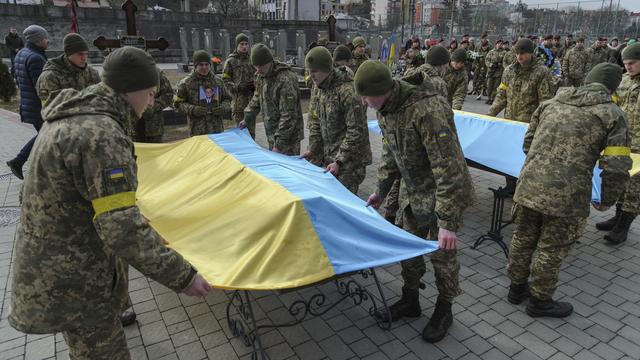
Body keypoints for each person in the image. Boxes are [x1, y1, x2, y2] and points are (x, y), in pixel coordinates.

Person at [8, 46, 212, 359]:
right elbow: (121, 227)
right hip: (78, 281)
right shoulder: (100, 135)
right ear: (130, 90)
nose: (152, 100)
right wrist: (183, 276)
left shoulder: (74, 116)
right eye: (150, 92)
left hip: (58, 271)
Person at [359, 60, 474, 343]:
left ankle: (444, 310)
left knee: (443, 258)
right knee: (408, 250)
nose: (363, 102)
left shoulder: (427, 110)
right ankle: (410, 301)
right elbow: (391, 153)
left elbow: (449, 167)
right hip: (415, 194)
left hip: (443, 196)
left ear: (382, 90)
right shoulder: (387, 109)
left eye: (366, 96)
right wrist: (381, 190)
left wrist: (447, 221)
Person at [507, 63, 631, 317]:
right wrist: (606, 199)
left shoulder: (551, 103)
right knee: (552, 247)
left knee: (522, 238)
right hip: (567, 195)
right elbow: (617, 166)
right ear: (612, 87)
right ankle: (540, 302)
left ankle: (516, 289)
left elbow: (527, 143)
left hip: (529, 184)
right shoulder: (612, 114)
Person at [300, 47, 371, 193]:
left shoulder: (347, 91)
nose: (310, 75)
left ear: (326, 68)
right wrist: (313, 150)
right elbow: (316, 121)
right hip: (331, 158)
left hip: (350, 162)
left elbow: (356, 131)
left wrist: (340, 161)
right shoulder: (320, 88)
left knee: (345, 204)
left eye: (314, 71)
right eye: (308, 71)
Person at [596, 43, 640, 244]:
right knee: (621, 181)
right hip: (622, 141)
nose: (628, 67)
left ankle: (623, 226)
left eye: (632, 63)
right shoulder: (623, 81)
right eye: (626, 63)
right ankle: (617, 216)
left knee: (634, 187)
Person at [240, 44, 304, 155]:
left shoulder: (285, 79)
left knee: (287, 170)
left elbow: (289, 115)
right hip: (273, 135)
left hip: (288, 140)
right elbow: (257, 98)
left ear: (270, 61)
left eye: (261, 66)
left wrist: (279, 145)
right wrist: (247, 118)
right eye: (256, 66)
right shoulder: (261, 76)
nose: (258, 70)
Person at [5, 25, 49, 180]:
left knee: (45, 136)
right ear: (38, 40)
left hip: (28, 104)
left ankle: (22, 162)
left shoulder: (22, 54)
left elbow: (17, 78)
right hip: (38, 107)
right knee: (46, 135)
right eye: (45, 38)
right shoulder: (36, 58)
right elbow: (42, 87)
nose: (47, 40)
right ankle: (19, 161)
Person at [488, 38, 554, 123]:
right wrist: (489, 115)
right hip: (509, 122)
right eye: (517, 53)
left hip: (528, 125)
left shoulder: (542, 72)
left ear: (531, 53)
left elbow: (545, 101)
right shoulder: (509, 71)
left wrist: (541, 124)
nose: (519, 56)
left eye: (522, 53)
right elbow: (501, 95)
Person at [174, 50, 231, 136]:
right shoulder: (186, 83)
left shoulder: (218, 81)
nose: (204, 67)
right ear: (195, 65)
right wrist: (192, 109)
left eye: (207, 64)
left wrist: (223, 108)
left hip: (216, 130)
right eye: (201, 65)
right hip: (197, 131)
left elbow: (227, 99)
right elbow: (177, 104)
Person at [36, 33, 100, 108]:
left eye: (86, 54)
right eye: (80, 54)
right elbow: (49, 109)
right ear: (68, 54)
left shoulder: (92, 73)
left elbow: (101, 98)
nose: (84, 58)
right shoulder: (50, 76)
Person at [223, 33, 256, 137]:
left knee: (251, 133)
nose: (244, 46)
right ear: (237, 45)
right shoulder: (230, 61)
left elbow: (258, 76)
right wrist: (240, 87)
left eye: (246, 44)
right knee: (242, 134)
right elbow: (226, 82)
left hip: (251, 104)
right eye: (241, 44)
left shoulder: (252, 60)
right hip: (238, 105)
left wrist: (255, 85)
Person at [135, 69, 173, 143]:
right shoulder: (125, 72)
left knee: (155, 152)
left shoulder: (157, 74)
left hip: (153, 127)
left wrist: (154, 106)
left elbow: (168, 94)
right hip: (131, 128)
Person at [485, 39, 505, 104]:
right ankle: (488, 97)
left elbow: (505, 62)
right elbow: (486, 60)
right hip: (491, 71)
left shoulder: (504, 53)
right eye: (498, 43)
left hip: (498, 72)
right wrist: (491, 65)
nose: (499, 45)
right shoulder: (491, 52)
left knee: (496, 86)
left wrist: (500, 65)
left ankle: (492, 98)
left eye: (501, 44)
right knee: (489, 85)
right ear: (496, 44)